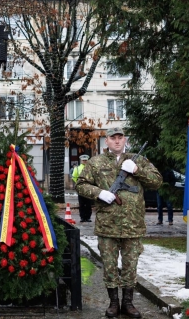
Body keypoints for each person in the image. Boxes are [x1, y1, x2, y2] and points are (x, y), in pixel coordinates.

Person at [75, 127, 161, 318]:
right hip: (107, 225)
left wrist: (137, 171)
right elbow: (80, 184)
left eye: (120, 138)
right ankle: (114, 303)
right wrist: (100, 193)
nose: (116, 141)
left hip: (133, 225)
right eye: (112, 138)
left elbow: (156, 181)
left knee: (130, 266)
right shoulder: (96, 162)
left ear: (125, 140)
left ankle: (128, 303)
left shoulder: (137, 160)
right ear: (106, 141)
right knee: (110, 266)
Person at [72, 154, 92, 222]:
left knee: (88, 204)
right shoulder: (77, 168)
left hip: (89, 187)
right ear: (81, 161)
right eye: (83, 160)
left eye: (86, 160)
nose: (84, 161)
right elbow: (74, 177)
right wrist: (78, 183)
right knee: (82, 204)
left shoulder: (90, 168)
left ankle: (88, 217)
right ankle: (82, 217)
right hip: (81, 188)